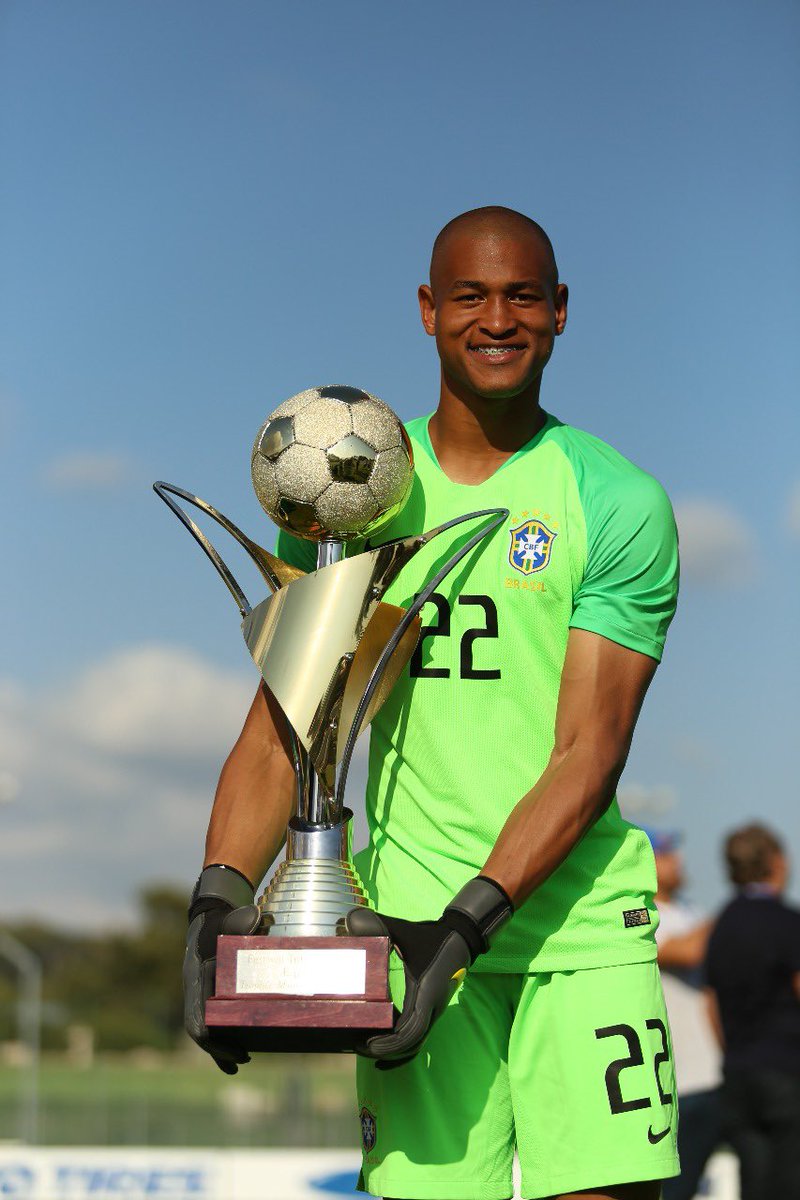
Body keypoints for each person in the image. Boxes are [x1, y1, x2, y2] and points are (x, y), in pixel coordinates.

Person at [184, 206, 681, 1200]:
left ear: (559, 311)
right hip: (400, 934)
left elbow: (587, 753)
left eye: (521, 297)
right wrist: (212, 905)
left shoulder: (616, 502)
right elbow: (287, 733)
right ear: (427, 309)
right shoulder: (345, 490)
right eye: (469, 296)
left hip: (572, 937)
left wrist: (460, 928)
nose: (496, 319)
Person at [705, 823, 800, 1200]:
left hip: (739, 1074)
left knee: (754, 1184)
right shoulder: (787, 922)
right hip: (787, 1071)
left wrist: (734, 1053)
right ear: (775, 862)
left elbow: (710, 1002)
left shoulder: (722, 924)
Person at [646, 828, 722, 1200]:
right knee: (676, 1191)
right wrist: (740, 906)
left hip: (714, 1075)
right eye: (665, 853)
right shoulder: (641, 914)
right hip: (679, 1082)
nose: (677, 860)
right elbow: (687, 952)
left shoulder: (692, 912)